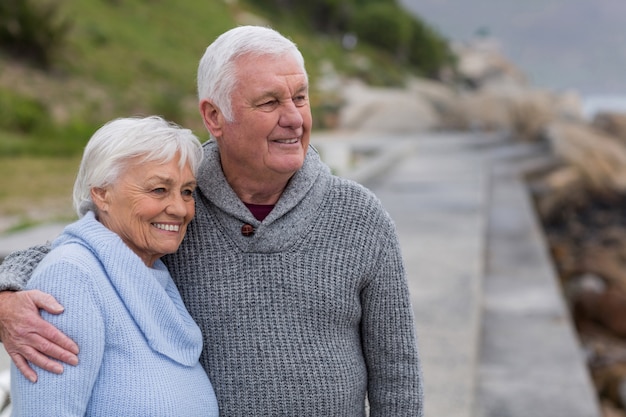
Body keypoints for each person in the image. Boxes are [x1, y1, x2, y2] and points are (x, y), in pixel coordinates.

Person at [0, 26, 423, 416]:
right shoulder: (179, 204)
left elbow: (398, 380)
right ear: (214, 116)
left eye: (300, 97)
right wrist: (4, 297)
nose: (294, 117)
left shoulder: (359, 216)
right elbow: (85, 248)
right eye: (270, 102)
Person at [8, 116, 219, 416]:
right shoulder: (71, 277)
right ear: (102, 193)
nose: (180, 208)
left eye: (187, 191)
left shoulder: (153, 269)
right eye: (159, 189)